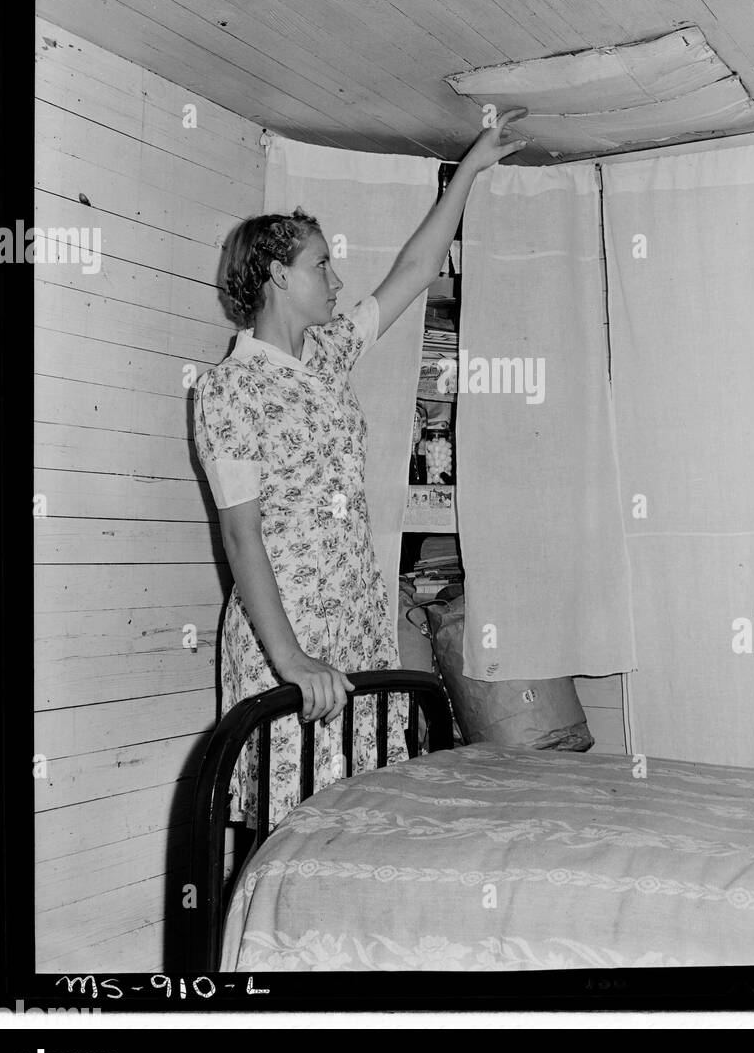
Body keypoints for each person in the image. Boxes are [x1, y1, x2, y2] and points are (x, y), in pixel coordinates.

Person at [193, 109, 528, 829]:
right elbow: (243, 538)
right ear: (277, 275)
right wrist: (291, 661)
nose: (336, 278)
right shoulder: (230, 389)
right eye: (320, 264)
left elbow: (411, 272)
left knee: (351, 810)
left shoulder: (325, 356)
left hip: (353, 615)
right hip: (287, 632)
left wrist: (469, 170)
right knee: (288, 820)